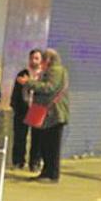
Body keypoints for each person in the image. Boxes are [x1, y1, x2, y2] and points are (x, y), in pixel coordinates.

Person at [18, 48, 69, 183]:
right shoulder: (56, 70)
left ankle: (52, 174)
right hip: (50, 113)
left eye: (43, 60)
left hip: (54, 113)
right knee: (46, 143)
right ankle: (46, 172)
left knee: (52, 145)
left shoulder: (55, 71)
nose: (41, 64)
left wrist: (29, 83)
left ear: (48, 60)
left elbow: (49, 87)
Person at [10, 49, 43, 170]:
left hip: (37, 108)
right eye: (32, 58)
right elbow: (16, 92)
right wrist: (14, 105)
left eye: (36, 58)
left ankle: (34, 162)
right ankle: (18, 161)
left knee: (37, 137)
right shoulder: (23, 73)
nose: (34, 61)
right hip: (22, 109)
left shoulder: (43, 75)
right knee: (20, 136)